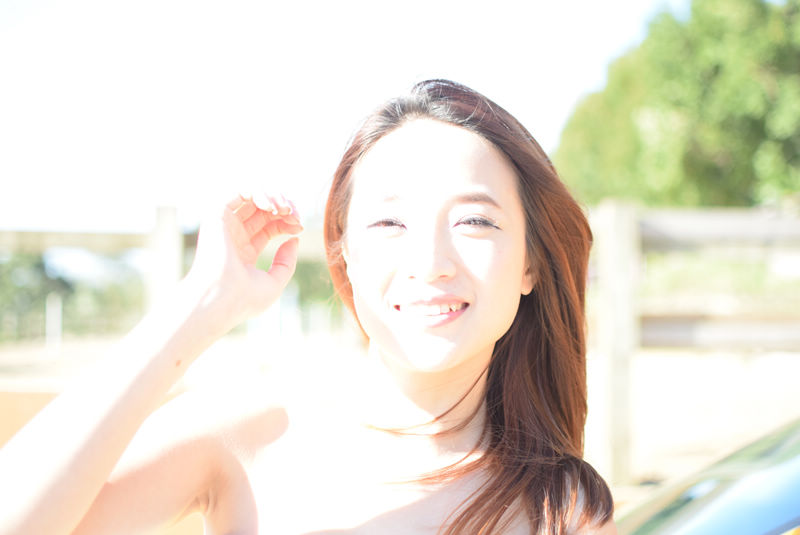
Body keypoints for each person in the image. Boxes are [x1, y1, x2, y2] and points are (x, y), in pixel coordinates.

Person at [0, 79, 615, 534]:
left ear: (531, 263)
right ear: (343, 255)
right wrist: (202, 301)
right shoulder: (247, 433)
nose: (431, 262)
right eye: (390, 222)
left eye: (474, 220)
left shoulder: (562, 509)